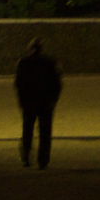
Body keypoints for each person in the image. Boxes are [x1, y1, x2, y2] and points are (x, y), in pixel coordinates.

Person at [13, 37, 63, 168]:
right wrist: (54, 100)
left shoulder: (23, 63)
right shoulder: (51, 62)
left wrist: (21, 100)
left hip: (29, 102)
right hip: (46, 102)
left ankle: (26, 157)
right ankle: (43, 160)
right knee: (45, 132)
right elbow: (57, 84)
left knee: (27, 130)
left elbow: (18, 84)